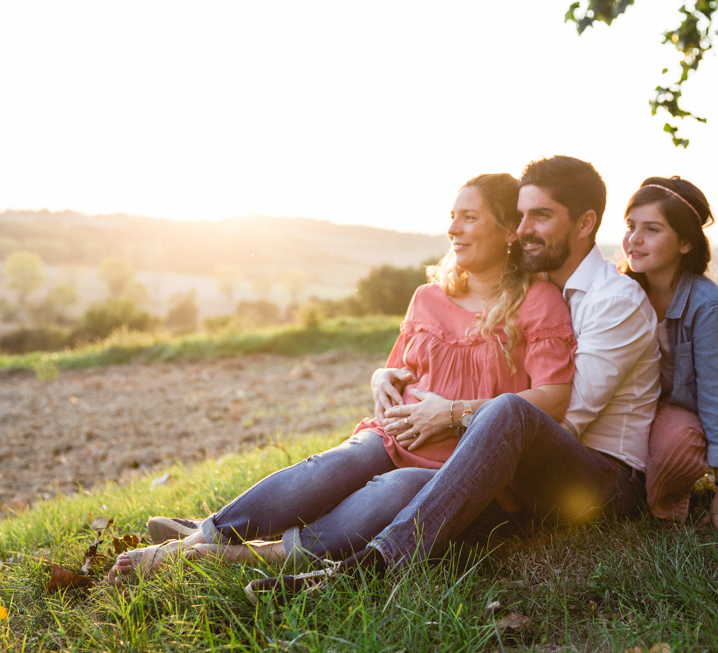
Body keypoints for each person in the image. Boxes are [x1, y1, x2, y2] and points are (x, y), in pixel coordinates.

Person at [108, 172, 577, 580]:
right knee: (330, 467)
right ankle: (192, 543)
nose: (453, 228)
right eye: (452, 215)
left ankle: (248, 555)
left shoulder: (538, 302)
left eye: (469, 217)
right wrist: (381, 377)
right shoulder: (427, 298)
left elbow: (552, 398)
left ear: (508, 231)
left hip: (457, 466)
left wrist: (453, 415)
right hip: (395, 437)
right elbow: (401, 368)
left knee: (386, 494)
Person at [246, 155, 662, 600]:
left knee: (507, 414)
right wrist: (384, 376)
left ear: (584, 224)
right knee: (387, 471)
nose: (522, 229)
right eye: (519, 216)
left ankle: (370, 565)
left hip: (602, 479)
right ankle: (230, 539)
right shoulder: (537, 285)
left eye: (540, 216)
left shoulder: (614, 300)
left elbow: (563, 418)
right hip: (533, 470)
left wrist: (452, 418)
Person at [620, 176, 718, 532]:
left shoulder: (706, 304)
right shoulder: (618, 291)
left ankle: (659, 498)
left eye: (652, 229)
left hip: (675, 409)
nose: (635, 239)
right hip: (624, 405)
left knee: (674, 448)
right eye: (631, 226)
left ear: (685, 243)